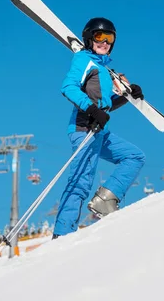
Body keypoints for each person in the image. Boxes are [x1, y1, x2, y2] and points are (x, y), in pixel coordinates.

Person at [52, 17, 146, 239]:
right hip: (83, 128)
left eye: (109, 38)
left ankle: (106, 199)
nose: (104, 42)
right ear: (89, 38)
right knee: (80, 181)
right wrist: (92, 110)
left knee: (134, 156)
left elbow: (105, 106)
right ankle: (62, 234)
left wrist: (127, 94)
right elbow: (68, 87)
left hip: (99, 131)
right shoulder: (84, 59)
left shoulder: (103, 70)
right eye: (99, 37)